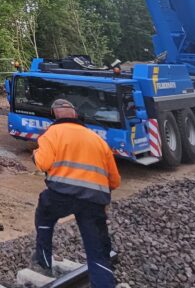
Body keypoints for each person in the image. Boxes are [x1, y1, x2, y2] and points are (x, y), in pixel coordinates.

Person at [32, 98, 121, 288]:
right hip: (94, 201)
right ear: (76, 115)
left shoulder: (51, 134)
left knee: (44, 216)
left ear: (53, 115)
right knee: (96, 248)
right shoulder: (97, 139)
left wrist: (35, 155)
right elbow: (115, 181)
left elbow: (43, 163)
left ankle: (43, 261)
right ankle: (104, 282)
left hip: (61, 195)